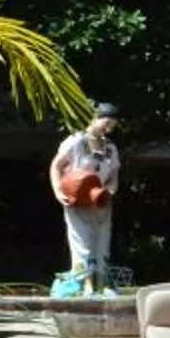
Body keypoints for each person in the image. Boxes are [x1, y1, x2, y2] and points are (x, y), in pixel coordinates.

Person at [49, 105, 124, 285]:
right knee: (82, 243)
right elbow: (56, 166)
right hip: (78, 200)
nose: (109, 128)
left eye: (113, 125)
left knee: (102, 243)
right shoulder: (75, 142)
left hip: (101, 201)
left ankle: (101, 283)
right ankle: (86, 285)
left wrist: (110, 191)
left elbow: (113, 176)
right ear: (95, 118)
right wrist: (58, 191)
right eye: (107, 122)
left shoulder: (111, 148)